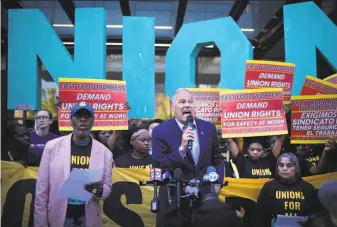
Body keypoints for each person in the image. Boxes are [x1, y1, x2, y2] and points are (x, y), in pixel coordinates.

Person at [152, 88, 224, 227]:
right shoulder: (160, 131)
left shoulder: (208, 128)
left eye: (190, 101)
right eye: (182, 102)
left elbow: (218, 159)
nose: (187, 105)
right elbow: (159, 165)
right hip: (174, 198)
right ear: (173, 108)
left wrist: (217, 182)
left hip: (204, 197)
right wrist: (181, 149)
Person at [34, 102, 114, 227]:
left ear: (93, 121)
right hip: (57, 216)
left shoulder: (105, 153)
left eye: (87, 116)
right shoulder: (52, 147)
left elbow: (108, 189)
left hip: (88, 217)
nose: (83, 119)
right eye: (78, 116)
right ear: (71, 120)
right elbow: (41, 190)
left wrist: (101, 189)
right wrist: (40, 223)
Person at [255, 153, 317, 227]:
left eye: (289, 165)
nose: (284, 169)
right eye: (281, 165)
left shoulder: (308, 188)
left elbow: (314, 215)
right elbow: (260, 213)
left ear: (296, 167)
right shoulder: (269, 187)